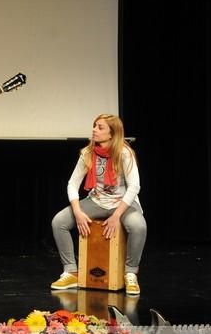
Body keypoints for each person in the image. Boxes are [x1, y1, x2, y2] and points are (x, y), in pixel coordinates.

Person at [50, 114, 146, 295]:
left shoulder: (124, 153)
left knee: (138, 226)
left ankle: (130, 273)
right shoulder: (88, 152)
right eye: (94, 126)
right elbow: (72, 184)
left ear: (112, 134)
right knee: (59, 222)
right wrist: (77, 212)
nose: (94, 129)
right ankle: (71, 272)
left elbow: (134, 187)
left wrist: (116, 216)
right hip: (96, 200)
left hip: (122, 203)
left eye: (100, 127)